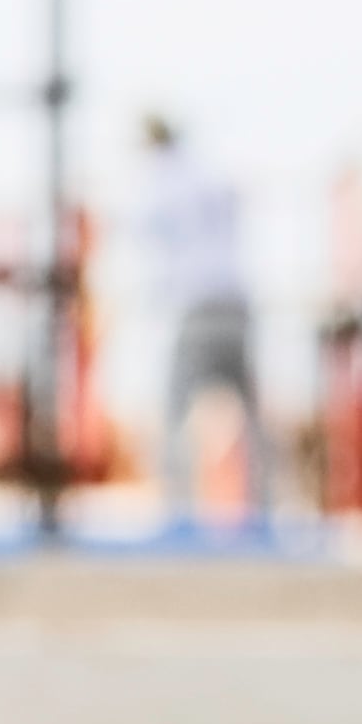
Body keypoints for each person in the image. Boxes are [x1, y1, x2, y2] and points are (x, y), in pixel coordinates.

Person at [133, 112, 255, 530]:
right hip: (236, 301)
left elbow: (152, 237)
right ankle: (264, 513)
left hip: (195, 304)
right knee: (251, 416)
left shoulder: (163, 181)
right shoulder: (211, 173)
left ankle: (178, 516)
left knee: (174, 414)